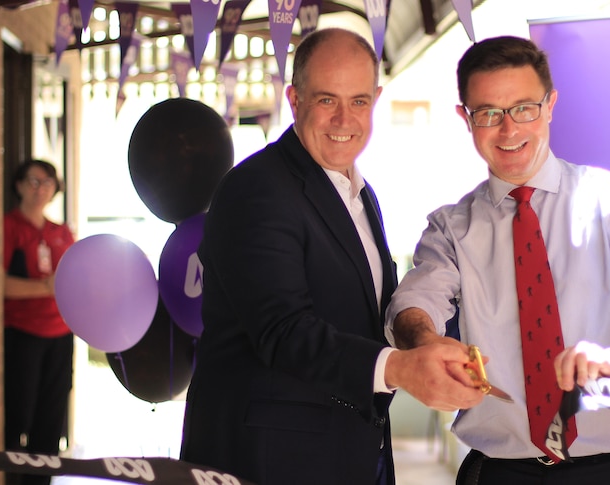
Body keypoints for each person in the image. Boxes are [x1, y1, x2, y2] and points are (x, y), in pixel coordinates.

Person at [386, 36, 610, 485]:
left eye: (524, 108)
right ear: (466, 118)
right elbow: (412, 306)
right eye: (489, 113)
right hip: (500, 474)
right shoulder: (451, 229)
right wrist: (426, 341)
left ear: (550, 105)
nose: (509, 130)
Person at [180, 28, 484, 485]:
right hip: (270, 462)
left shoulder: (359, 193)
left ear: (376, 99)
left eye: (359, 101)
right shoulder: (256, 189)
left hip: (353, 449)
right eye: (327, 100)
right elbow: (283, 331)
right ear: (294, 98)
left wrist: (426, 340)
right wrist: (400, 369)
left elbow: (362, 314)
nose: (345, 118)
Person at [3, 159, 75, 485]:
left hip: (60, 335)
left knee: (51, 416)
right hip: (22, 334)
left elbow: (77, 282)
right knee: (19, 414)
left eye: (47, 183)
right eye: (33, 181)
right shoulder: (7, 227)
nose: (40, 189)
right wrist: (45, 287)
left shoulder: (61, 232)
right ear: (18, 185)